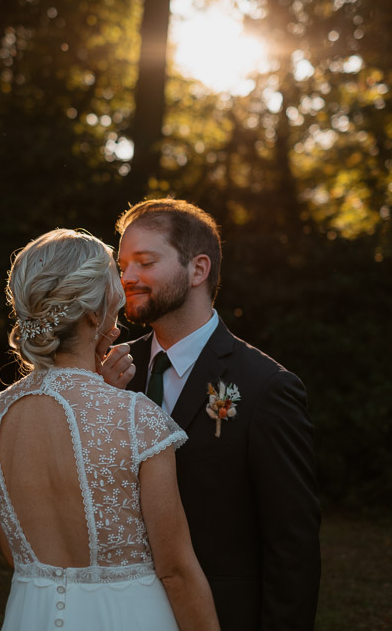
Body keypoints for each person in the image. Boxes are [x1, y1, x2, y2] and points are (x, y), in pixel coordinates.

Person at [0, 229, 219, 631]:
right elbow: (175, 571)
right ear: (92, 314)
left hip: (30, 614)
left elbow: (15, 553)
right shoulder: (135, 419)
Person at [105, 199, 320, 630]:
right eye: (123, 264)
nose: (127, 278)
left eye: (144, 262)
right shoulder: (113, 372)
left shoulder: (265, 388)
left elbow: (292, 547)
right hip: (119, 610)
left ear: (198, 269)